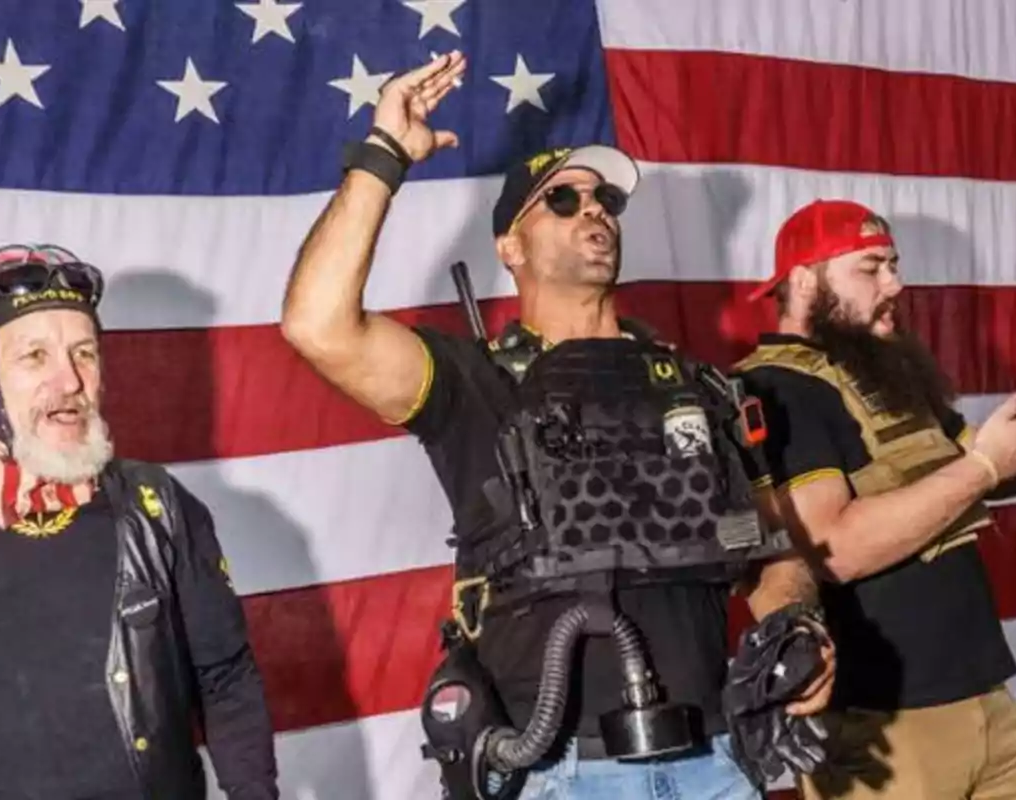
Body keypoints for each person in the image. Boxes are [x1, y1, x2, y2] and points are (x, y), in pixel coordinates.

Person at [281, 51, 835, 799]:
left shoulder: (698, 388)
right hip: (557, 771)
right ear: (509, 247)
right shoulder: (472, 383)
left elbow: (772, 551)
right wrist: (384, 155)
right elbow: (316, 324)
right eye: (563, 201)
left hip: (717, 762)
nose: (596, 208)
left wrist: (798, 627)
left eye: (604, 197)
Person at [0, 244, 279, 799]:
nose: (70, 380)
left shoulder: (162, 511)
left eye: (85, 354)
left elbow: (227, 680)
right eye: (35, 356)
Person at [735, 198, 1016, 798]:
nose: (895, 284)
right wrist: (983, 466)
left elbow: (984, 469)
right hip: (882, 719)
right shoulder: (774, 388)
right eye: (871, 267)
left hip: (986, 697)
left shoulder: (880, 367)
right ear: (803, 281)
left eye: (894, 265)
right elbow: (835, 547)